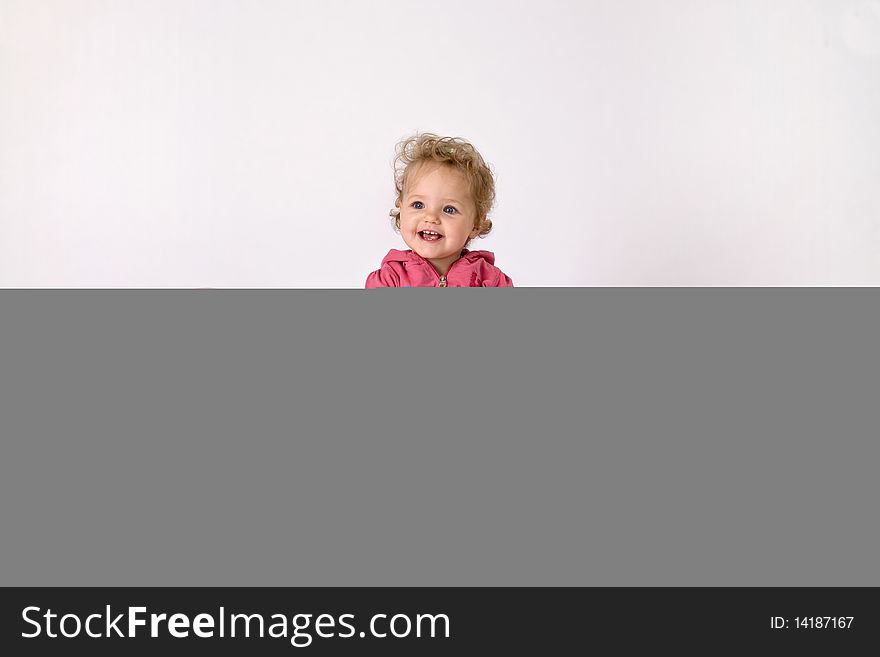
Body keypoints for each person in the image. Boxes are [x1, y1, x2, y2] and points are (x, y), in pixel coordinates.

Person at [366, 133, 513, 287]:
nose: (430, 217)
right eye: (418, 205)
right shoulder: (389, 279)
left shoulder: (490, 280)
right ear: (401, 210)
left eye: (449, 209)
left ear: (475, 224)